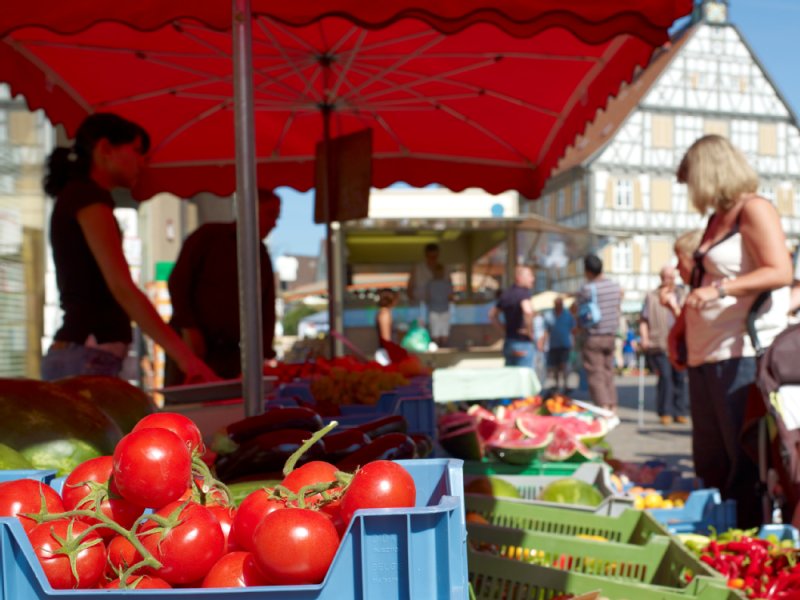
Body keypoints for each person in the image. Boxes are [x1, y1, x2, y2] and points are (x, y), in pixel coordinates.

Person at [670, 134, 792, 528]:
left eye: (692, 181)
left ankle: (747, 547)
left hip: (741, 353)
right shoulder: (714, 221)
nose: (691, 192)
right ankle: (721, 539)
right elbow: (700, 282)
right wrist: (678, 329)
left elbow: (780, 271)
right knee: (711, 460)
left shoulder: (753, 209)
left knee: (743, 463)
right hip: (705, 355)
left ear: (709, 172)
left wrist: (721, 289)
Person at [40, 113, 217, 383]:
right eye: (136, 150)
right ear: (105, 149)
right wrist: (186, 359)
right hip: (87, 354)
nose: (142, 161)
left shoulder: (81, 196)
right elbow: (121, 286)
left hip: (84, 353)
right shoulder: (87, 197)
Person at [165, 189, 280, 383]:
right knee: (184, 407)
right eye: (270, 215)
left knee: (228, 408)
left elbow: (266, 309)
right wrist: (189, 327)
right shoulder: (208, 236)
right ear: (249, 210)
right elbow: (178, 281)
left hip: (230, 355)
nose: (274, 224)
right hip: (189, 347)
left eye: (277, 217)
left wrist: (263, 353)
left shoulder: (262, 256)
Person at [639, 265, 688, 426]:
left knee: (679, 378)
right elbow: (644, 320)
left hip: (679, 342)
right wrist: (644, 338)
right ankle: (665, 411)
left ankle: (679, 411)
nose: (670, 280)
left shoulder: (681, 294)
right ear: (661, 278)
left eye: (672, 277)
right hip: (659, 342)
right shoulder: (652, 297)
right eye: (667, 277)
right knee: (665, 377)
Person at [577, 254, 622, 411]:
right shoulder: (615, 287)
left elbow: (579, 311)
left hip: (593, 335)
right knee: (608, 370)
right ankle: (613, 404)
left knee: (596, 372)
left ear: (588, 271)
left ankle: (603, 406)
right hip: (610, 335)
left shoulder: (587, 289)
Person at [489, 265, 535, 367]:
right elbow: (527, 311)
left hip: (509, 342)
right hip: (522, 343)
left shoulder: (506, 294)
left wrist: (504, 329)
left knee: (512, 378)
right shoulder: (523, 293)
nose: (533, 279)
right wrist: (529, 331)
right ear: (519, 278)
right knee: (524, 378)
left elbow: (492, 315)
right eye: (530, 276)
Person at [407, 243, 446, 324]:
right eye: (430, 257)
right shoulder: (417, 269)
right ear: (426, 255)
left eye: (435, 257)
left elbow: (449, 289)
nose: (433, 259)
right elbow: (409, 289)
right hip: (419, 308)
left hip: (439, 310)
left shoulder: (443, 269)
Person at [543, 296, 575, 393]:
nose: (559, 306)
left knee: (564, 365)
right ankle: (557, 385)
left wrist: (573, 342)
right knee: (555, 366)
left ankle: (565, 385)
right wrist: (543, 342)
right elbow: (546, 330)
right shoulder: (549, 315)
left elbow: (573, 329)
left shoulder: (567, 315)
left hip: (565, 344)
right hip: (553, 344)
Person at [375, 288, 410, 363]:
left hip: (387, 352)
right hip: (386, 354)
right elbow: (386, 339)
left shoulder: (385, 313)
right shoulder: (385, 314)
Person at [425, 263, 453, 347]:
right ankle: (444, 348)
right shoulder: (447, 283)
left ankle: (437, 349)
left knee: (435, 331)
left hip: (434, 310)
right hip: (444, 309)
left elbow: (427, 297)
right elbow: (450, 297)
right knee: (444, 331)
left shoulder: (430, 284)